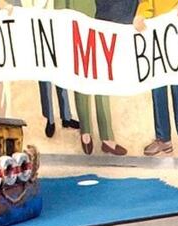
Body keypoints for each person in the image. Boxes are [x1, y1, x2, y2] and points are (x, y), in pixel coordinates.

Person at [56, 0, 130, 156]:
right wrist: (61, 20)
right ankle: (86, 132)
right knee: (81, 78)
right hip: (76, 22)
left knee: (102, 77)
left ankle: (107, 137)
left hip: (103, 19)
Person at [134, 0, 178, 156]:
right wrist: (141, 15)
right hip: (155, 34)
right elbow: (146, 3)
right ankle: (163, 139)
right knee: (157, 88)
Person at [21, 0, 80, 138]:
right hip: (39, 29)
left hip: (57, 27)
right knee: (45, 78)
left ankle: (66, 117)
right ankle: (50, 119)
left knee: (61, 75)